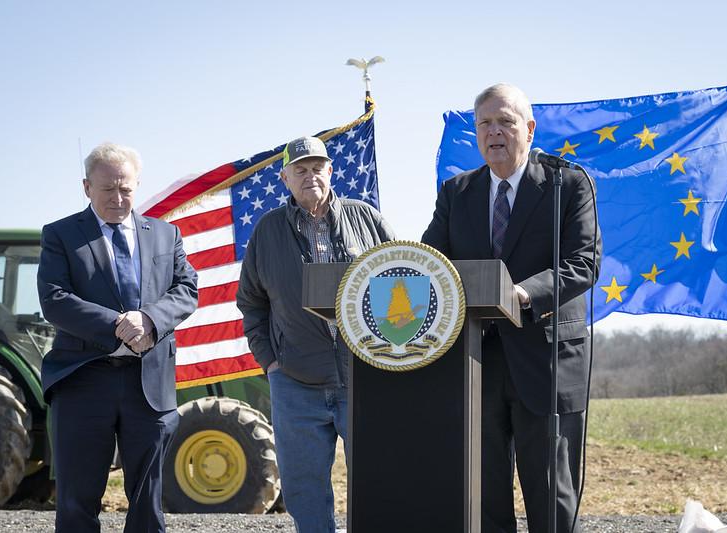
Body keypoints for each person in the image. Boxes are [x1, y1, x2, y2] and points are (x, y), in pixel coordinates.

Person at [422, 84, 600, 533]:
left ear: (530, 129)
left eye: (505, 121)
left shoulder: (567, 183)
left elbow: (584, 263)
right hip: (475, 362)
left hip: (547, 360)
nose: (494, 132)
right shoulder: (457, 192)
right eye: (484, 123)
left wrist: (522, 294)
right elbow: (429, 263)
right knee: (483, 499)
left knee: (551, 497)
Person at [236, 136, 395, 533]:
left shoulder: (367, 219)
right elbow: (251, 303)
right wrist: (271, 363)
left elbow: (401, 279)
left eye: (317, 168)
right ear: (285, 178)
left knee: (381, 481)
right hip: (295, 383)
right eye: (300, 171)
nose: (310, 177)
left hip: (366, 378)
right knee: (304, 490)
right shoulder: (267, 231)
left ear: (330, 171)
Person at [38, 142, 198, 533]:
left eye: (126, 188)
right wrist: (118, 324)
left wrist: (148, 319)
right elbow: (55, 299)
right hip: (83, 379)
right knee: (77, 500)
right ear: (86, 187)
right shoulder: (60, 235)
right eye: (107, 188)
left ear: (137, 185)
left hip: (149, 384)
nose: (118, 197)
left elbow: (186, 288)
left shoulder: (165, 234)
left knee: (148, 504)